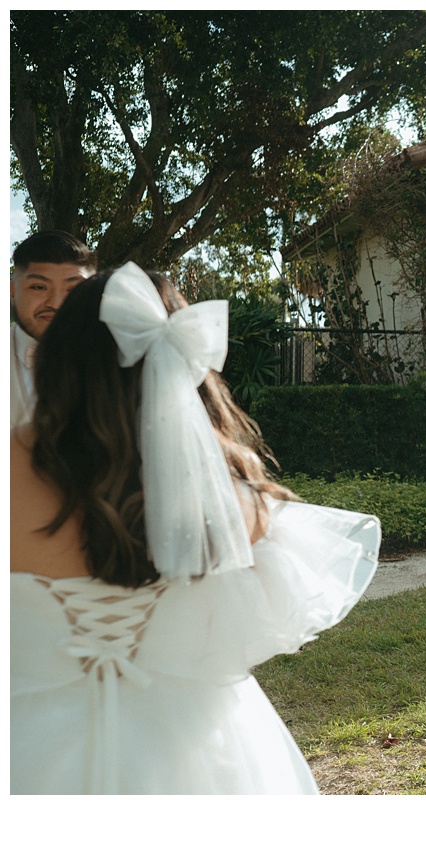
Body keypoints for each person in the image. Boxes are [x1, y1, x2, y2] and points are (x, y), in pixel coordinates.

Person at [10, 263, 380, 794]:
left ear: (60, 357)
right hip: (199, 751)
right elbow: (251, 630)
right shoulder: (235, 497)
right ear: (186, 366)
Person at [10, 230, 96, 426]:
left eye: (74, 289)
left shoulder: (116, 361)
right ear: (12, 291)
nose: (56, 304)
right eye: (39, 287)